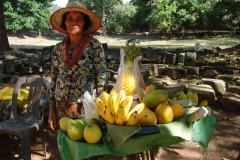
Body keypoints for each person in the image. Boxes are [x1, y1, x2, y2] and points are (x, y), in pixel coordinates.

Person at [48, 1, 108, 132]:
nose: (73, 22)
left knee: (88, 144)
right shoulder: (58, 48)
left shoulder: (94, 46)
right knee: (67, 146)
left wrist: (101, 109)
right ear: (65, 22)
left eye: (78, 19)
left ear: (84, 23)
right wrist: (51, 111)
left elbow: (102, 78)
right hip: (62, 108)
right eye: (70, 18)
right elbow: (53, 79)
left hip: (86, 108)